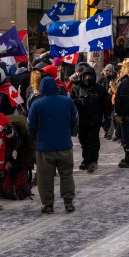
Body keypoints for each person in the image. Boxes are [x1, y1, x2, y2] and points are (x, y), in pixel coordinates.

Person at [27, 76, 78, 214]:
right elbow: (75, 120)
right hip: (64, 146)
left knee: (45, 177)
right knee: (67, 175)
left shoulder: (37, 104)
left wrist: (34, 139)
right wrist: (71, 133)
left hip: (44, 147)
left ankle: (48, 204)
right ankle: (68, 202)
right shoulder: (67, 101)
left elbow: (31, 125)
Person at [69, 64, 111, 173]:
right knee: (83, 141)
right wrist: (79, 101)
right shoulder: (77, 89)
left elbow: (107, 106)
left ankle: (93, 161)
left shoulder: (100, 90)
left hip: (94, 120)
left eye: (89, 76)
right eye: (85, 76)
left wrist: (107, 120)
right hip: (81, 121)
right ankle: (86, 160)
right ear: (82, 77)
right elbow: (70, 102)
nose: (87, 78)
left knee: (93, 142)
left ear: (93, 76)